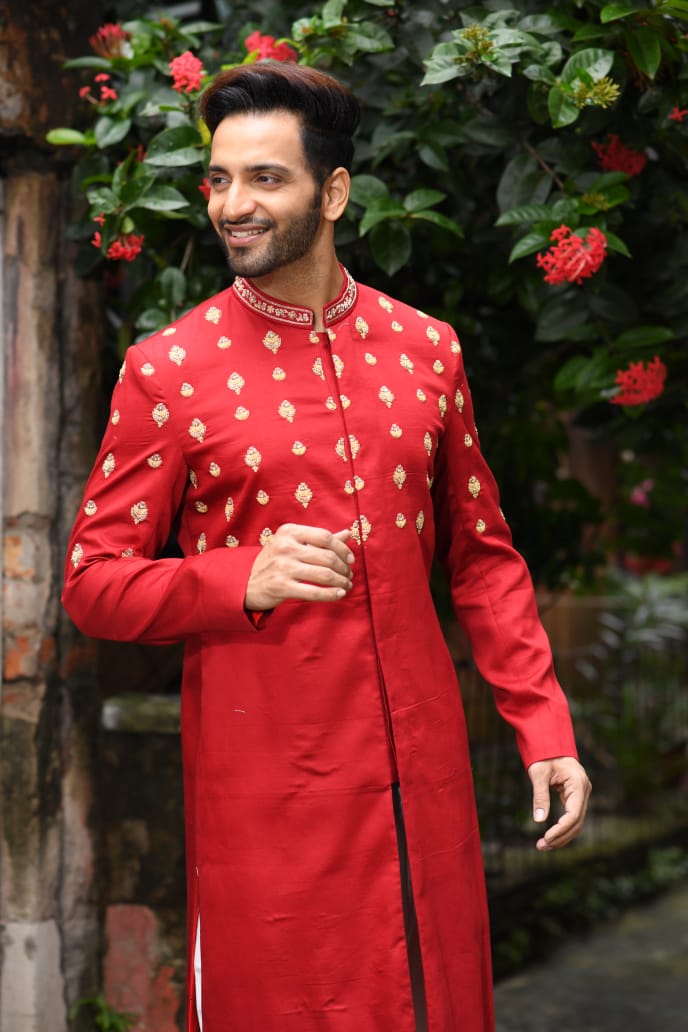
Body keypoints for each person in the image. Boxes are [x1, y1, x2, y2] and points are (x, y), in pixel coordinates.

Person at [63, 62, 591, 1032]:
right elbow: (94, 585)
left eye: (265, 179)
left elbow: (481, 557)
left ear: (333, 192)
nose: (232, 205)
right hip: (269, 802)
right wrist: (235, 579)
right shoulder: (166, 370)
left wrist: (542, 726)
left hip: (422, 794)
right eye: (219, 179)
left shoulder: (426, 350)